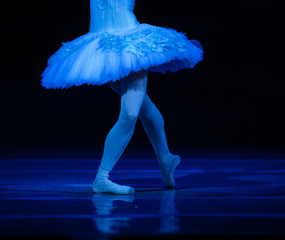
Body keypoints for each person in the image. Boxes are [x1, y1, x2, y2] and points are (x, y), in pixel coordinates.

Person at [41, 0, 203, 194]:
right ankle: (164, 158)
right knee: (140, 107)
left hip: (128, 44)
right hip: (103, 48)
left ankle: (106, 176)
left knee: (133, 111)